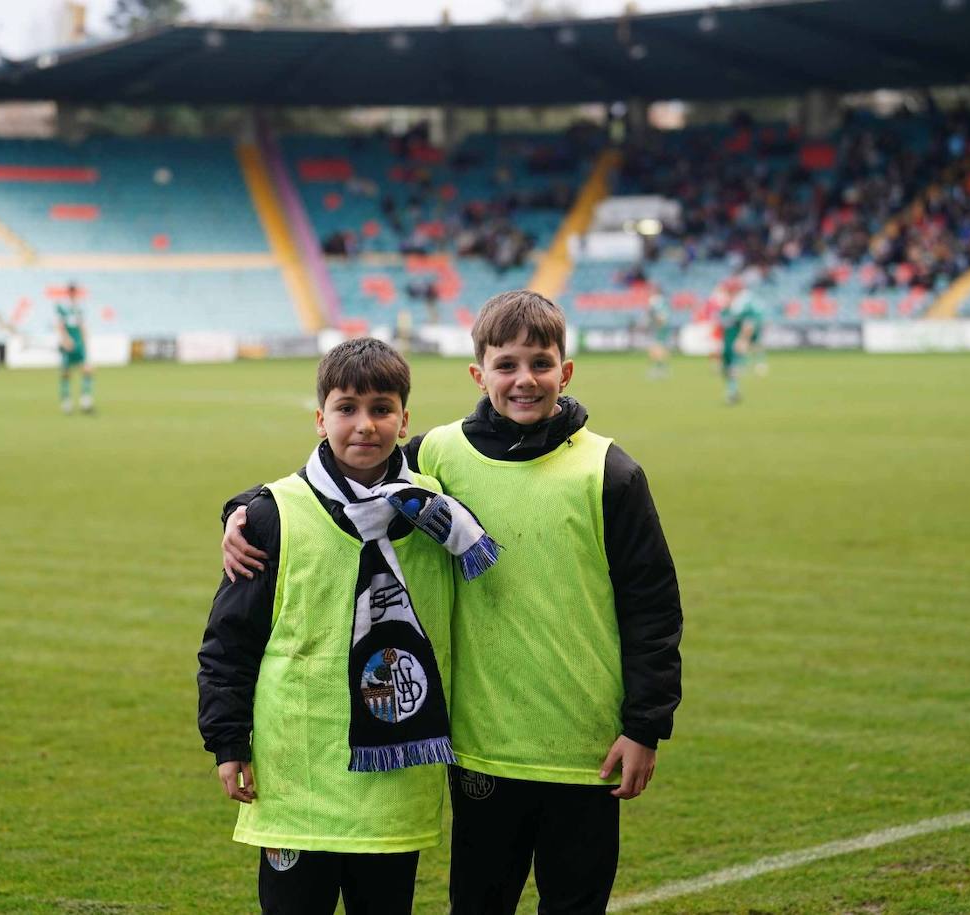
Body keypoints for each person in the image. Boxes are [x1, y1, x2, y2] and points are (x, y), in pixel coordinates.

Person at [222, 291, 683, 913]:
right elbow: (346, 477)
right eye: (507, 365)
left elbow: (652, 605)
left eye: (541, 364)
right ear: (480, 373)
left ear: (565, 372)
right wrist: (245, 509)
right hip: (479, 747)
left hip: (586, 749)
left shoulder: (610, 472)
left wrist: (645, 724)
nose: (525, 380)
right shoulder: (440, 456)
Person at [198, 338, 499, 915]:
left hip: (395, 788)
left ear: (405, 420)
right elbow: (229, 644)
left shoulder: (438, 514)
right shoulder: (269, 515)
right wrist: (228, 742)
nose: (365, 425)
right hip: (297, 781)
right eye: (347, 408)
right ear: (320, 419)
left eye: (382, 409)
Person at [717, 277, 762, 405]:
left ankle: (732, 392)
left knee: (734, 366)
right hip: (727, 340)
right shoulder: (727, 303)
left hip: (736, 339)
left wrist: (742, 339)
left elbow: (749, 323)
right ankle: (732, 389)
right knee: (726, 368)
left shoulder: (744, 304)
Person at [55, 282, 94, 414]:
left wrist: (86, 345)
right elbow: (60, 326)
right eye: (71, 291)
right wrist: (66, 340)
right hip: (68, 345)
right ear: (69, 292)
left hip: (79, 344)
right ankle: (66, 403)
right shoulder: (62, 307)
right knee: (66, 373)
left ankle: (85, 401)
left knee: (87, 370)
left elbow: (83, 327)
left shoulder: (80, 308)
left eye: (74, 292)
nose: (73, 294)